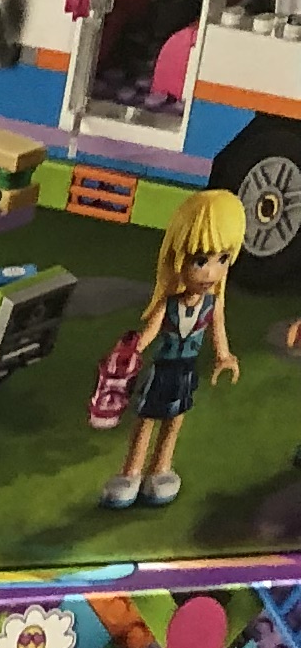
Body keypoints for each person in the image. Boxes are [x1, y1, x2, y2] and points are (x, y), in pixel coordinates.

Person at [110, 187, 242, 506]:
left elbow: (218, 331)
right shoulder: (168, 305)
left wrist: (224, 356)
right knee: (146, 419)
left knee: (174, 420)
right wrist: (131, 351)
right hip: (162, 370)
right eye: (201, 260)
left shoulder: (212, 304)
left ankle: (160, 470)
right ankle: (131, 473)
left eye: (222, 259)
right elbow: (149, 333)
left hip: (185, 372)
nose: (211, 272)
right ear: (178, 257)